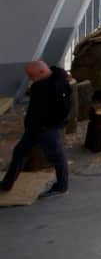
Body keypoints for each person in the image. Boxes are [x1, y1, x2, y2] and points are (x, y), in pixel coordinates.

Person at [0, 60, 71, 199]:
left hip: (46, 128)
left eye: (32, 76)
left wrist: (49, 125)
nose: (30, 79)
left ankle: (62, 186)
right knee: (19, 152)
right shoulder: (41, 83)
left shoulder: (57, 85)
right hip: (34, 128)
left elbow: (64, 109)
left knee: (56, 156)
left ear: (41, 71)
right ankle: (7, 184)